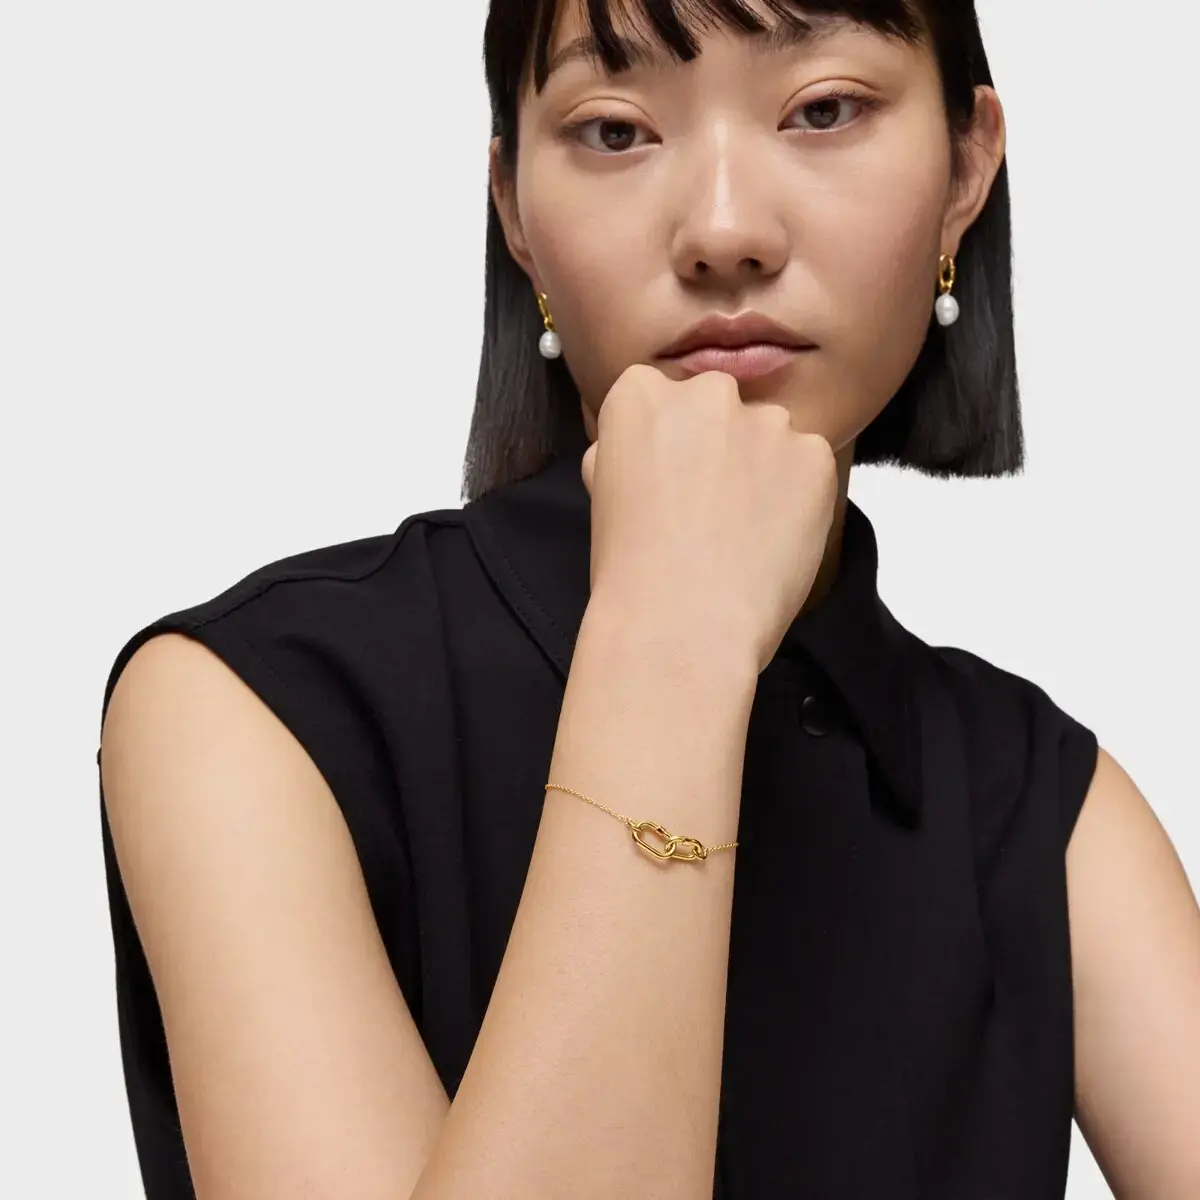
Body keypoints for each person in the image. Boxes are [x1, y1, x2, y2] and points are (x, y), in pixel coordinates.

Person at [96, 1, 1200, 1197]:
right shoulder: (248, 711)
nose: (724, 231)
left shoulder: (1047, 806)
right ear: (516, 213)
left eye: (824, 110)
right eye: (616, 132)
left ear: (965, 171)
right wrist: (677, 635)